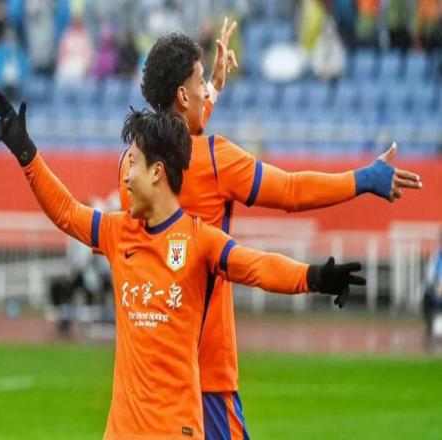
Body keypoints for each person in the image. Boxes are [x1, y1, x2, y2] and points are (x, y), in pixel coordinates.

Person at [0, 89, 365, 439]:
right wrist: (25, 152)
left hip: (176, 431)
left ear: (157, 172)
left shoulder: (200, 241)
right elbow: (67, 212)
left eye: (132, 164)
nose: (125, 177)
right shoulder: (118, 233)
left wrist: (315, 276)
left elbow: (257, 266)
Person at [118, 22, 423, 438]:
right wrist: (364, 178)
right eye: (200, 82)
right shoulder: (216, 158)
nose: (207, 90)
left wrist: (214, 88)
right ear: (183, 96)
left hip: (150, 373)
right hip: (206, 370)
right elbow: (292, 191)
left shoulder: (131, 167)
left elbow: (178, 139)